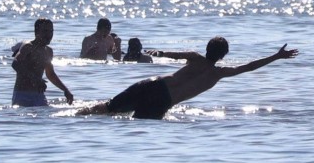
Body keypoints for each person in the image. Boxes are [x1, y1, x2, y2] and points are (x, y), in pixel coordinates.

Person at [77, 37, 298, 119]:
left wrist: (161, 53)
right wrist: (277, 56)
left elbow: (174, 54)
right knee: (136, 127)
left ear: (207, 48)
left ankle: (77, 114)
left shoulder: (195, 58)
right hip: (163, 100)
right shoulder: (218, 73)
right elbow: (249, 67)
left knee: (109, 108)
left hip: (153, 84)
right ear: (223, 55)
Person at [11, 18, 74, 107]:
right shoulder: (28, 47)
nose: (49, 35)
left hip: (39, 96)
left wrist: (65, 90)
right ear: (36, 32)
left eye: (51, 31)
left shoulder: (48, 51)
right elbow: (15, 64)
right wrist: (35, 79)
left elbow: (50, 74)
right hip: (22, 94)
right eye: (45, 31)